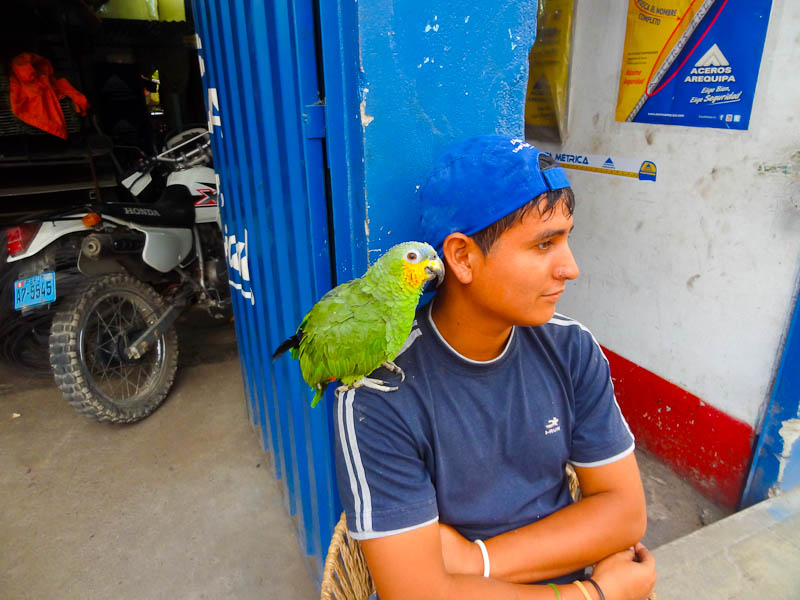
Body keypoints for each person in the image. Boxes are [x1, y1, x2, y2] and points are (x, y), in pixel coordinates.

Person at [333, 135, 657, 600]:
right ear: (462, 257)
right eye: (544, 244)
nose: (571, 268)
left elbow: (625, 515)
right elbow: (417, 591)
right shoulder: (378, 393)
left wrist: (473, 562)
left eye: (566, 239)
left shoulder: (571, 349)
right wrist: (590, 596)